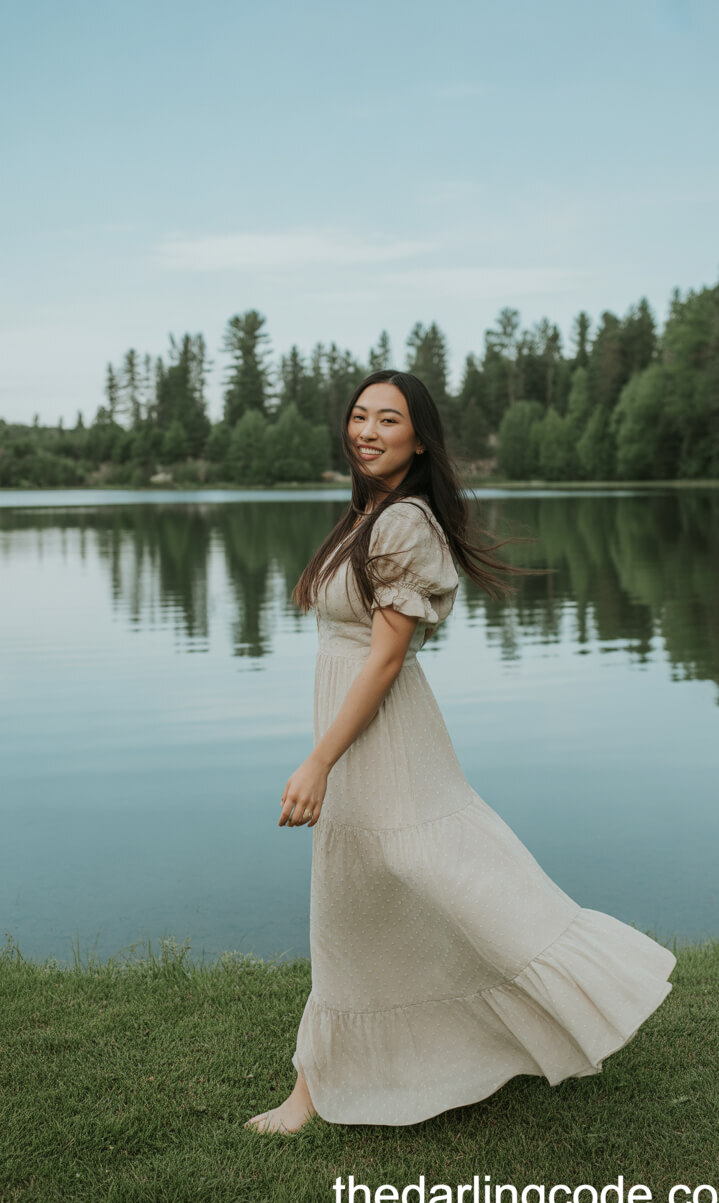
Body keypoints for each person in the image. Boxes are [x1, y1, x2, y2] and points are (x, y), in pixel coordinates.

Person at [244, 369, 676, 1135]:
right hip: (358, 727)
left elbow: (382, 661)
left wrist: (319, 762)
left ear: (419, 439)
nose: (367, 431)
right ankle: (315, 1086)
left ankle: (579, 986)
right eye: (359, 416)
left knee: (433, 878)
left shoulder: (405, 523)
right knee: (355, 903)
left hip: (386, 736)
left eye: (388, 419)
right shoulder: (366, 513)